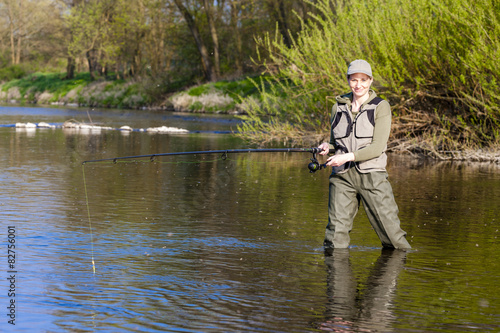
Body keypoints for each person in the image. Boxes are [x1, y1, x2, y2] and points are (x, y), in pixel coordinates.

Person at [317, 59, 411, 251]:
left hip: (372, 176)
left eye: (363, 79)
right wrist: (328, 146)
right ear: (348, 80)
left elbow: (377, 147)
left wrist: (347, 156)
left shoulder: (381, 106)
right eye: (353, 79)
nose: (358, 84)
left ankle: (395, 274)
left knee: (393, 237)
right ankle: (336, 277)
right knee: (334, 237)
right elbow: (337, 142)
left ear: (370, 80)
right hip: (342, 177)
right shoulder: (338, 107)